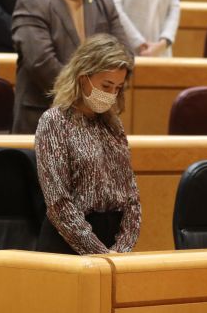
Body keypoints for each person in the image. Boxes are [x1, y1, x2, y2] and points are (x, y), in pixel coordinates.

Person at [11, 0, 129, 134]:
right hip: (45, 116)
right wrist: (85, 98)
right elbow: (41, 62)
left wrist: (98, 98)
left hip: (98, 117)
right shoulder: (31, 1)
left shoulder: (103, 0)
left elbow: (125, 54)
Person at [35, 33, 141, 255]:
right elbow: (58, 203)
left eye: (118, 88)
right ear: (83, 79)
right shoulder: (54, 122)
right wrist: (99, 254)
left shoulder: (114, 125)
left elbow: (132, 196)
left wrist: (121, 250)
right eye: (106, 85)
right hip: (67, 246)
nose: (112, 94)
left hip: (113, 245)